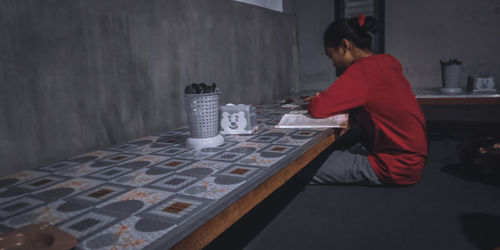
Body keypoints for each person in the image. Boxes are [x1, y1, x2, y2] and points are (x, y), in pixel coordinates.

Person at [306, 14, 428, 186]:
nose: (332, 63)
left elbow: (318, 108)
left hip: (394, 166)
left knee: (302, 168)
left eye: (330, 56)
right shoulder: (387, 62)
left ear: (344, 46)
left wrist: (317, 98)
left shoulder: (361, 72)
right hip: (412, 158)